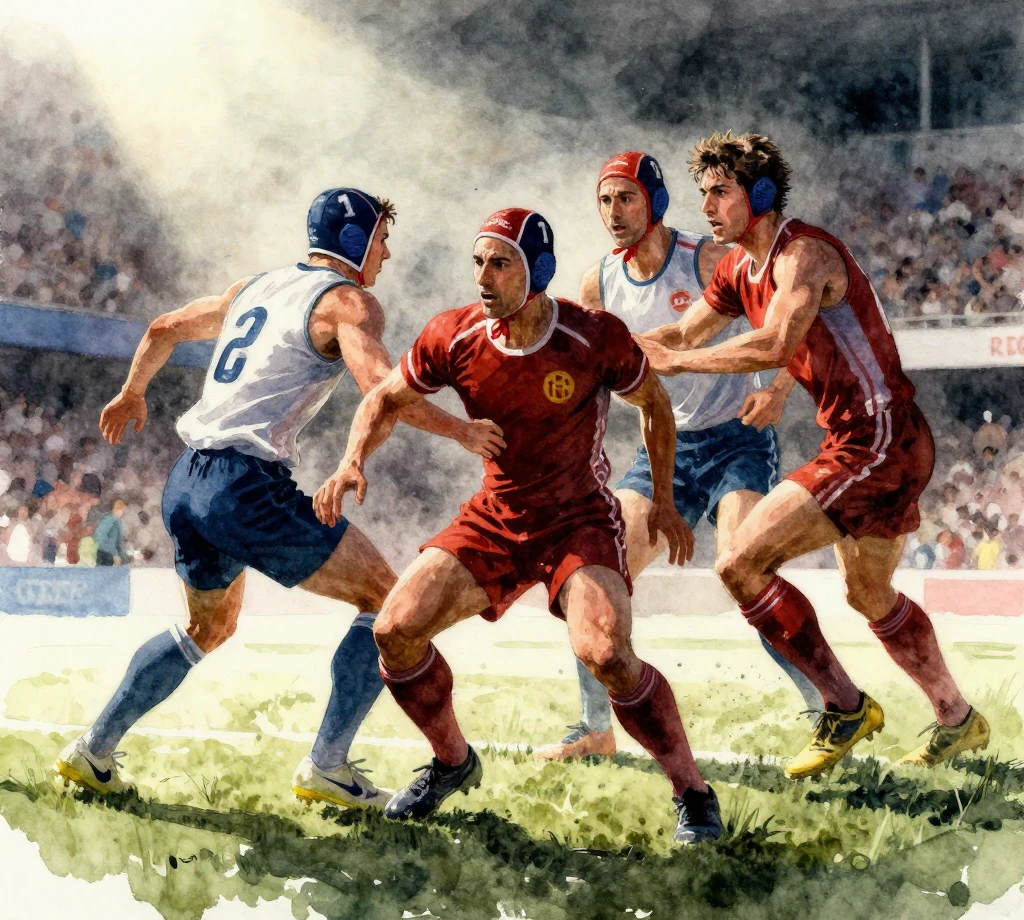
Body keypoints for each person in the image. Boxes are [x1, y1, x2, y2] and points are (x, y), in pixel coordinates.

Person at [54, 188, 502, 809]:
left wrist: (133, 392)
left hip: (188, 478)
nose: (387, 254)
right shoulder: (348, 302)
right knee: (387, 604)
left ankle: (93, 750)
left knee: (206, 628)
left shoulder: (255, 287)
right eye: (381, 240)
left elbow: (163, 328)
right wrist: (462, 431)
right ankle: (328, 766)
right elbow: (381, 389)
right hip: (244, 484)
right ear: (354, 242)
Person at [314, 207, 722, 844]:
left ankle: (693, 793)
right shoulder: (454, 334)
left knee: (606, 654)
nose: (483, 277)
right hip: (497, 516)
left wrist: (664, 502)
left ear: (538, 270)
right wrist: (350, 461)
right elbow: (384, 397)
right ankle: (452, 762)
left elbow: (655, 405)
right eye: (478, 262)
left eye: (500, 264)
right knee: (393, 631)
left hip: (578, 519)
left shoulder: (593, 335)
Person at [636, 132, 990, 775]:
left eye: (721, 192)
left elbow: (774, 343)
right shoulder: (736, 266)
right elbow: (682, 332)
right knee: (869, 595)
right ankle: (957, 718)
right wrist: (608, 348)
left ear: (760, 194)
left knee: (739, 563)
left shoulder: (804, 254)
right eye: (703, 193)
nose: (707, 206)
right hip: (876, 440)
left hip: (878, 440)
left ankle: (843, 706)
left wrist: (678, 362)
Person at [534, 151, 818, 763]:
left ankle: (824, 706)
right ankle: (596, 727)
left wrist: (778, 388)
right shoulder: (597, 283)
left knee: (745, 571)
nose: (614, 212)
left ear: (656, 202)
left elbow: (789, 328)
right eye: (605, 200)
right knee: (592, 572)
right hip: (664, 448)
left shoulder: (709, 258)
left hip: (737, 439)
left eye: (627, 198)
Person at [93, 498, 126, 566]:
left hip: (110, 555)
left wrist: (119, 555)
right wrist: (114, 554)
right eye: (121, 509)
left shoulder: (117, 521)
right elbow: (100, 536)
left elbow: (118, 542)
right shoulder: (109, 519)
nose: (122, 512)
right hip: (105, 554)